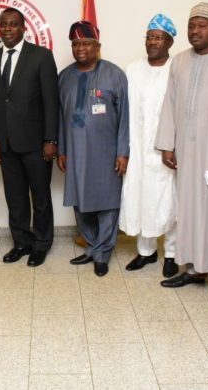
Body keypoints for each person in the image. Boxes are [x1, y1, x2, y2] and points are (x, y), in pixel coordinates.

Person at [155, 2, 208, 306]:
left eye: (202, 25)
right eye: (191, 25)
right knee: (189, 210)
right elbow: (170, 103)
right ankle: (192, 269)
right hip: (186, 151)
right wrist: (167, 143)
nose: (195, 31)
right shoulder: (178, 61)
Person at [0, 7, 59, 267]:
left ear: (23, 27)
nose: (7, 29)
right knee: (15, 197)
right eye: (3, 25)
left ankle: (41, 244)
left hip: (37, 143)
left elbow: (52, 101)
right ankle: (21, 242)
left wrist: (51, 139)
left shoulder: (41, 56)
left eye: (13, 24)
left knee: (40, 197)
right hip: (6, 143)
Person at [57, 21, 129, 277]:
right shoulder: (64, 76)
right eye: (75, 44)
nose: (80, 48)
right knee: (80, 201)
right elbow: (60, 117)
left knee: (107, 202)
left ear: (98, 46)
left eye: (86, 43)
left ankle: (103, 253)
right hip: (75, 152)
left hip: (106, 152)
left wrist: (122, 152)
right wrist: (62, 150)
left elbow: (125, 118)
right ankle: (91, 247)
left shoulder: (114, 75)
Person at [119, 14, 178, 278]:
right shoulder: (133, 69)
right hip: (139, 148)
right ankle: (146, 252)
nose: (153, 42)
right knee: (142, 197)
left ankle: (173, 254)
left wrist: (173, 145)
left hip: (167, 149)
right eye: (150, 37)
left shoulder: (178, 68)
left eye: (159, 38)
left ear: (169, 42)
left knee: (170, 201)